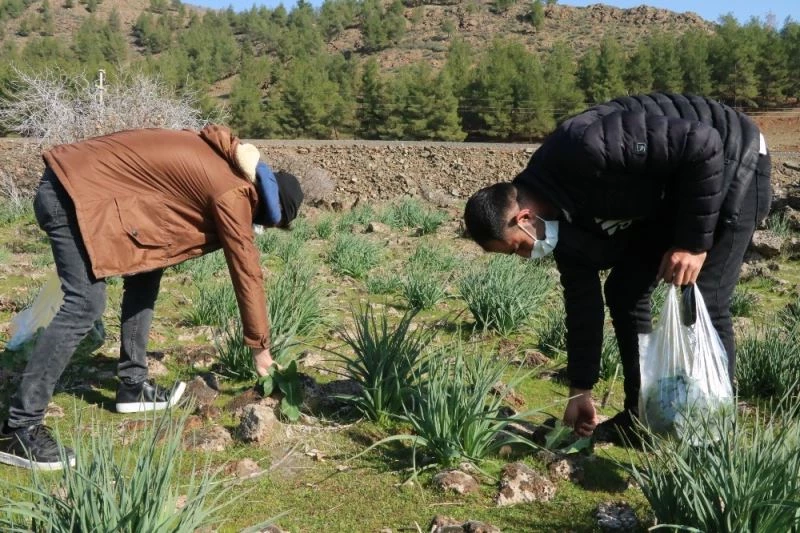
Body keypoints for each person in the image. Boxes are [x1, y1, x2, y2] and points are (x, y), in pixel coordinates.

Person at [463, 92, 771, 444]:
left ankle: (713, 439)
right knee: (624, 291)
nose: (524, 256)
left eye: (517, 247)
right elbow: (583, 304)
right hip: (673, 193)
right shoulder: (558, 218)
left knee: (706, 299)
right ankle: (640, 418)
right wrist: (580, 390)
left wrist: (692, 244)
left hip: (732, 160)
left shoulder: (586, 147)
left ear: (524, 218)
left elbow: (702, 143)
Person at [0, 125, 304, 470]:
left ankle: (132, 386)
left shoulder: (224, 164)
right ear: (268, 208)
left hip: (76, 188)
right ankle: (19, 428)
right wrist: (260, 349)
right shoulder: (234, 191)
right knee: (85, 303)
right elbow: (246, 271)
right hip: (70, 195)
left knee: (148, 270)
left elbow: (157, 233)